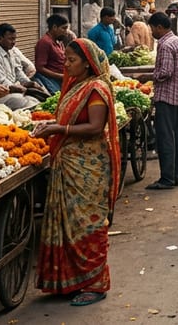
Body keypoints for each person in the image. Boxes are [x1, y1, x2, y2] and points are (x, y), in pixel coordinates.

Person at [32, 38, 121, 307]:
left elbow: (95, 127)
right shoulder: (76, 86)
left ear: (87, 63)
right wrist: (53, 124)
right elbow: (67, 119)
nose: (67, 65)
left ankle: (95, 283)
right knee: (68, 222)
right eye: (66, 59)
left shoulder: (96, 88)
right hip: (68, 162)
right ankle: (70, 279)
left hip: (89, 165)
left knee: (87, 224)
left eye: (72, 60)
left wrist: (59, 130)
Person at [141, 12, 178, 189]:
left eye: (152, 28)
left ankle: (167, 178)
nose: (152, 32)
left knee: (165, 137)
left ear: (159, 27)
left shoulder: (165, 44)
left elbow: (166, 72)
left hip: (167, 96)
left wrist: (148, 76)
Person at [0, 23, 44, 110]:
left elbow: (18, 72)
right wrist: (20, 88)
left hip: (12, 92)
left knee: (40, 96)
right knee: (30, 103)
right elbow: (1, 82)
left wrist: (30, 84)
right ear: (0, 39)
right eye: (10, 39)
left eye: (14, 39)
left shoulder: (12, 51)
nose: (14, 42)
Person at [35, 14, 71, 93]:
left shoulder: (59, 41)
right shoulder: (44, 42)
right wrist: (59, 76)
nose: (66, 32)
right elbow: (40, 67)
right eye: (64, 28)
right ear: (54, 27)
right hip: (51, 82)